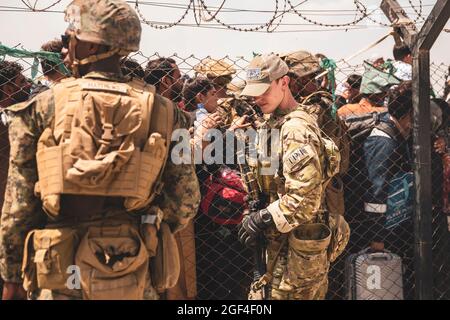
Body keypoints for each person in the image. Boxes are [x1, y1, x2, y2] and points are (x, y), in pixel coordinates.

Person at [0, 0, 200, 300]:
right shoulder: (165, 113)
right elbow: (185, 201)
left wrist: (12, 278)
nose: (64, 46)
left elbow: (19, 206)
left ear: (91, 46)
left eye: (69, 38)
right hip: (132, 268)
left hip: (58, 272)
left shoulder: (42, 108)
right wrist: (138, 227)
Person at [238, 53, 347, 300]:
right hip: (283, 244)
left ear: (284, 83)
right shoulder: (275, 122)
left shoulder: (295, 128)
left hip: (295, 252)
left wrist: (261, 218)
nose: (257, 98)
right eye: (254, 92)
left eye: (264, 90)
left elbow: (305, 200)